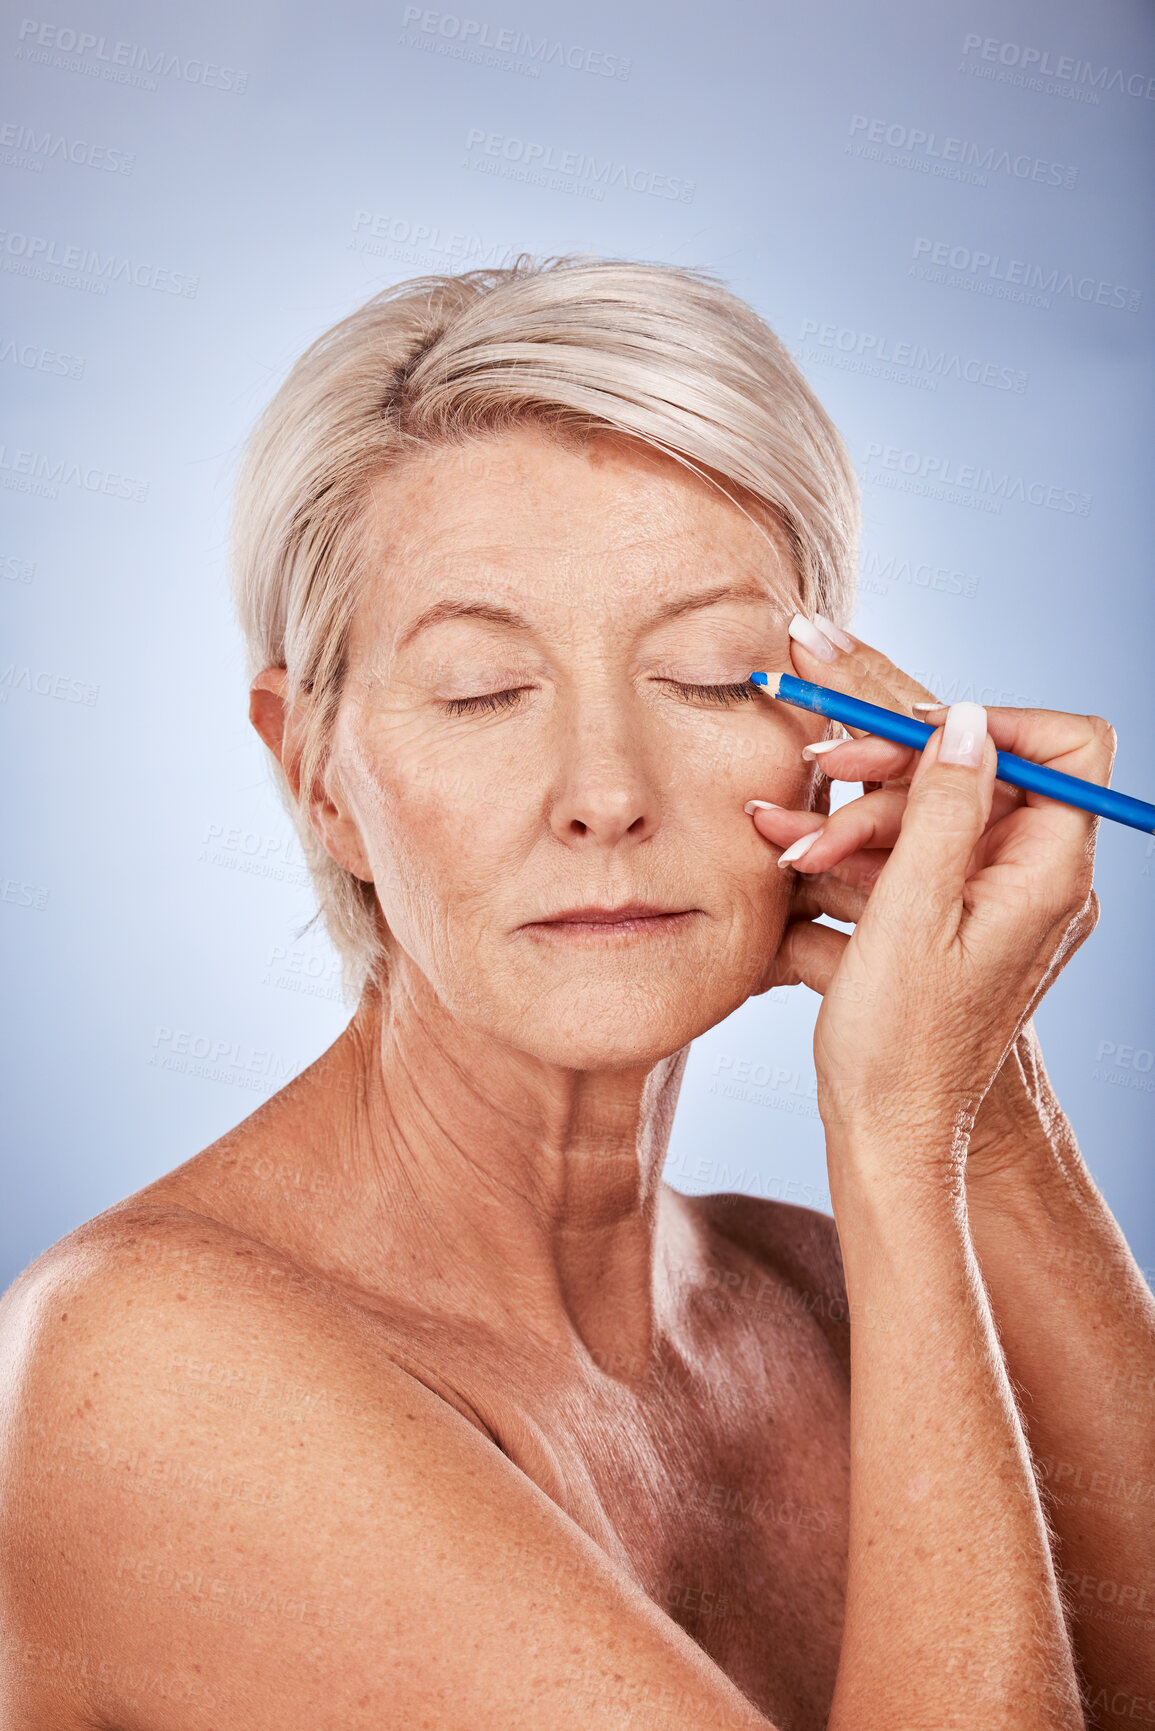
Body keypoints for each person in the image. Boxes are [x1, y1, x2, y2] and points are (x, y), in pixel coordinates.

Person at [1, 256, 1151, 1731]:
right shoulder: (156, 1366)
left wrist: (982, 1106)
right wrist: (901, 1140)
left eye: (713, 677)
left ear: (843, 737)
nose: (604, 793)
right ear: (314, 773)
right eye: (483, 690)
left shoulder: (821, 1294)